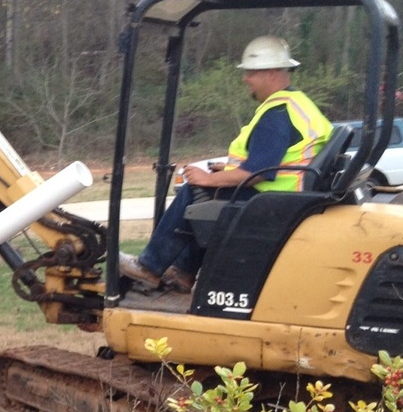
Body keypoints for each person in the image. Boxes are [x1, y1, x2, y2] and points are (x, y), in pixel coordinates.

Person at [120, 35, 333, 293]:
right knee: (210, 196)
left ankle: (150, 266)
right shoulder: (299, 104)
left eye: (251, 73)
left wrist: (208, 179)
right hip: (291, 196)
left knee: (196, 192)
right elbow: (279, 160)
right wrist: (227, 173)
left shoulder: (277, 114)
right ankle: (183, 272)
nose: (246, 79)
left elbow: (256, 174)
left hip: (275, 201)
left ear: (273, 73)